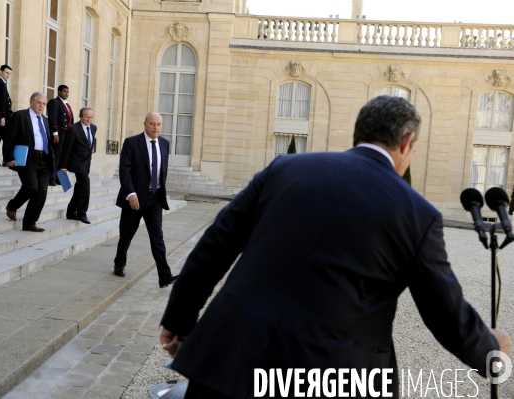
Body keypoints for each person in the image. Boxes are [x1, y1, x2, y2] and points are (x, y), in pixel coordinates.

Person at [159, 96, 511, 398]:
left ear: (358, 133)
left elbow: (214, 246)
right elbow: (445, 313)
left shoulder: (285, 168)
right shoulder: (417, 214)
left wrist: (179, 321)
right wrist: (491, 351)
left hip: (228, 359)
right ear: (406, 143)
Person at [114, 112, 177, 289]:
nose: (155, 127)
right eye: (152, 124)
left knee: (158, 238)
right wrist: (130, 193)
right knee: (126, 234)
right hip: (134, 198)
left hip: (155, 198)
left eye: (158, 124)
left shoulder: (164, 144)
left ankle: (165, 276)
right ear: (145, 124)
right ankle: (119, 263)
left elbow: (161, 171)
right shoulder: (132, 143)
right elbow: (124, 171)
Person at [3, 92, 55, 232]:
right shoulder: (20, 116)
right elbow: (10, 137)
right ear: (31, 102)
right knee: (31, 187)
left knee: (42, 192)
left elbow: (48, 141)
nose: (41, 106)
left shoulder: (45, 119)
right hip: (28, 159)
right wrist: (8, 157)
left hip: (44, 159)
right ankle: (12, 206)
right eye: (39, 103)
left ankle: (29, 223)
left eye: (44, 104)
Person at [58, 107, 96, 224]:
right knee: (85, 185)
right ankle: (82, 213)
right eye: (86, 117)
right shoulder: (73, 129)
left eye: (90, 117)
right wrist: (63, 166)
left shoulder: (93, 128)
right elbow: (66, 149)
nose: (88, 119)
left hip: (86, 162)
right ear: (81, 116)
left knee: (80, 187)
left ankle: (71, 211)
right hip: (76, 163)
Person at [47, 85, 74, 186]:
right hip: (59, 133)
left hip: (67, 135)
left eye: (68, 92)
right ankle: (52, 178)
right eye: (64, 91)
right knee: (56, 157)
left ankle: (60, 180)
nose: (66, 93)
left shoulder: (67, 105)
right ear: (59, 91)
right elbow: (52, 118)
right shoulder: (54, 102)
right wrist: (55, 133)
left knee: (64, 158)